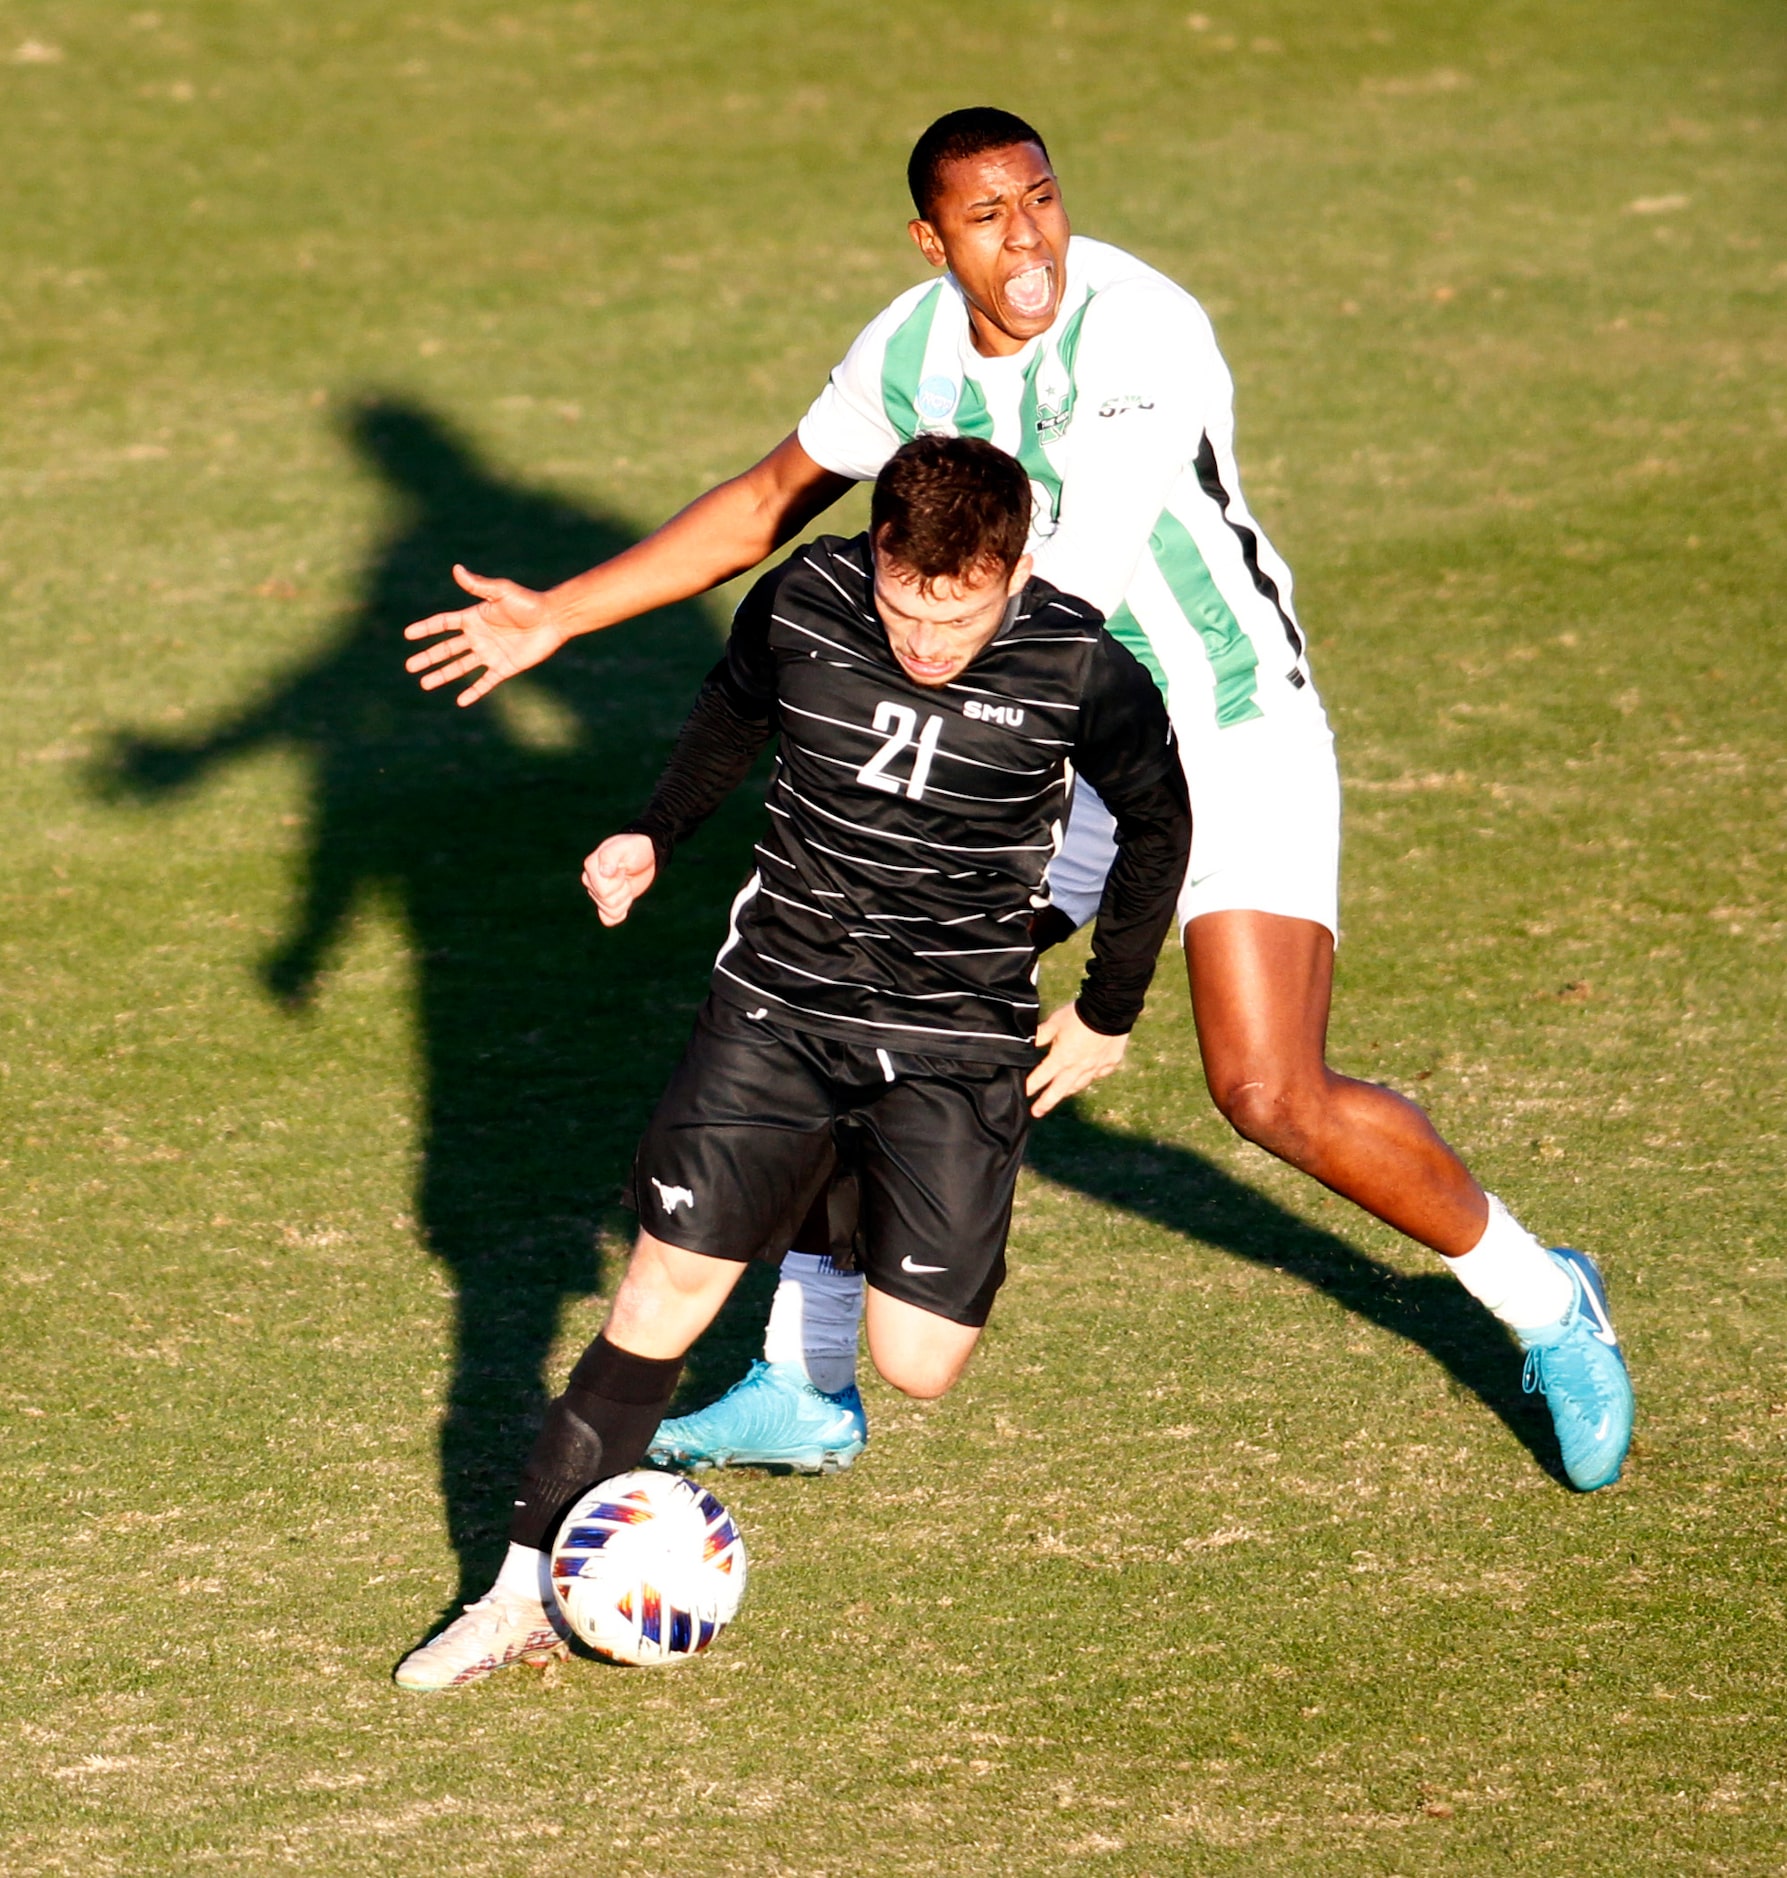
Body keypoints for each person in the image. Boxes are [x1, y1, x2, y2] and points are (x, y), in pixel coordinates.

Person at [403, 109, 1633, 1495]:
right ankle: (804, 1381)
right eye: (987, 217)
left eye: (1038, 200)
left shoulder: (1138, 333)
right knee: (843, 976)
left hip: (1218, 727)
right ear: (934, 241)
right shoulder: (910, 346)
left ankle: (1542, 1298)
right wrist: (560, 615)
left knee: (1265, 1086)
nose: (1026, 236)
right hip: (1033, 743)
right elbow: (766, 501)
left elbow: (1064, 608)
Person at [393, 435, 1191, 1689]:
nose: (927, 642)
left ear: (1013, 568)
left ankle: (837, 1196)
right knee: (658, 1296)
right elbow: (729, 716)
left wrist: (1108, 1008)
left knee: (919, 1365)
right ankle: (513, 1593)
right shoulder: (807, 599)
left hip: (953, 1036)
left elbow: (1158, 823)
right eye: (906, 605)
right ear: (876, 552)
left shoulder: (1079, 666)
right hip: (779, 1003)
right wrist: (653, 834)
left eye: (961, 611)